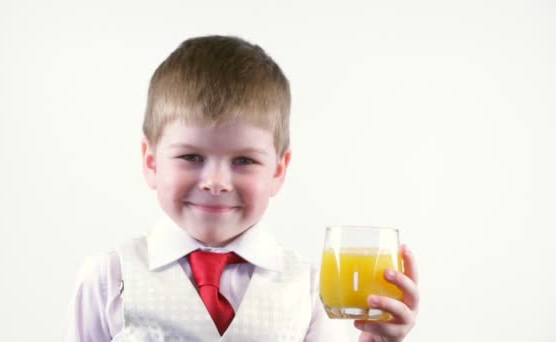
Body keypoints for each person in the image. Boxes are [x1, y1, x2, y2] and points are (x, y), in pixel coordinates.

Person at [64, 35, 419, 341]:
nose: (216, 183)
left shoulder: (311, 291)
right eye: (190, 156)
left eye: (244, 161)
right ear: (151, 162)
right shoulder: (108, 279)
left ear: (278, 171)